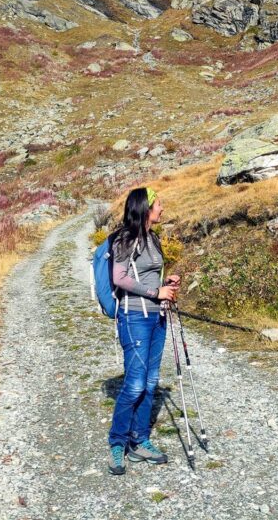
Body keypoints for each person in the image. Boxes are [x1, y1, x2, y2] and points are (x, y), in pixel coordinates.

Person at [106, 186, 180, 476]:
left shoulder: (154, 239)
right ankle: (117, 443)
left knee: (150, 383)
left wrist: (169, 283)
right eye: (159, 204)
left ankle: (140, 440)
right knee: (135, 384)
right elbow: (119, 277)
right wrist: (154, 291)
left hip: (157, 318)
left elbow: (151, 273)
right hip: (134, 317)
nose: (162, 209)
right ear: (145, 208)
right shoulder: (125, 239)